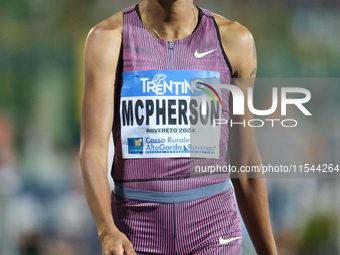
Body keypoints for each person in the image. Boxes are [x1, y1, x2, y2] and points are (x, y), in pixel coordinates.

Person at [80, 0, 278, 254]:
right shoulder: (107, 39)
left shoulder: (235, 41)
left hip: (213, 233)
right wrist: (107, 230)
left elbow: (245, 159)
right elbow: (92, 152)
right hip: (136, 236)